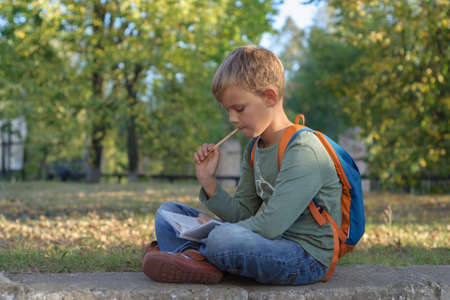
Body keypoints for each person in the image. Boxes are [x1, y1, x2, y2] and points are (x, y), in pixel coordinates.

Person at [142, 45, 342, 285]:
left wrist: (216, 231)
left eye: (239, 109)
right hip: (264, 242)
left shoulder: (303, 150)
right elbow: (242, 214)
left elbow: (270, 225)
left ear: (270, 96)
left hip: (304, 257)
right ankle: (198, 259)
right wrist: (209, 182)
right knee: (167, 213)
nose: (232, 119)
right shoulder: (254, 149)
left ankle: (192, 255)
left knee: (223, 239)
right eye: (228, 110)